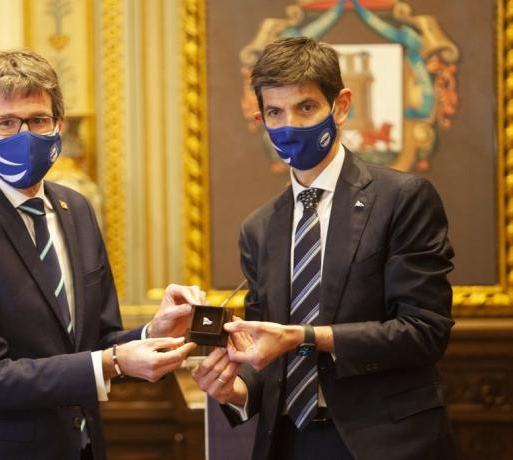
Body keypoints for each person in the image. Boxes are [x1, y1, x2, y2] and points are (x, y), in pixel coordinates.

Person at [0, 49, 198, 460]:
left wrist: (154, 333)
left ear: (58, 126)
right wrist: (112, 362)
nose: (24, 134)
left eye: (38, 120)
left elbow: (95, 341)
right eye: (6, 123)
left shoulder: (76, 209)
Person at [192, 36, 456, 460]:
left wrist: (308, 337)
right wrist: (235, 389)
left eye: (306, 108)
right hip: (290, 441)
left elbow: (425, 332)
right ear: (261, 117)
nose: (290, 126)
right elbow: (268, 356)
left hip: (385, 442)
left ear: (341, 105)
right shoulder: (259, 228)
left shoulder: (402, 198)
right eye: (275, 113)